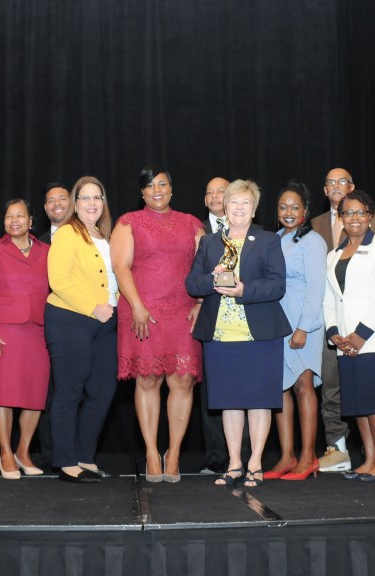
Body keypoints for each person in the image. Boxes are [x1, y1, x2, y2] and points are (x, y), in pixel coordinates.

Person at [186, 179, 290, 488]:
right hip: (220, 335)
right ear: (225, 207)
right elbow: (191, 284)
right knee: (229, 401)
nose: (239, 208)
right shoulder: (209, 243)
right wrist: (210, 280)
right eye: (234, 203)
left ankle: (255, 464)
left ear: (254, 208)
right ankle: (233, 464)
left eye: (245, 203)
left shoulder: (269, 240)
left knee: (259, 401)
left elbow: (278, 284)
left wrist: (245, 289)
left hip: (260, 334)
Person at [111, 165, 204, 483]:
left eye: (163, 183)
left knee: (182, 381)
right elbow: (121, 268)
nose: (157, 189)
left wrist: (202, 303)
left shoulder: (192, 223)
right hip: (142, 313)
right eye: (150, 186)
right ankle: (152, 453)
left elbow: (207, 268)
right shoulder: (129, 222)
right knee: (148, 381)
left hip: (183, 312)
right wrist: (136, 306)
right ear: (142, 193)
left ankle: (173, 453)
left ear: (172, 189)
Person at [309, 168, 375, 473]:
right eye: (330, 182)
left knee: (364, 388)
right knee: (330, 384)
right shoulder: (314, 224)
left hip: (367, 321)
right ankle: (337, 448)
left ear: (352, 186)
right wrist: (330, 325)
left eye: (342, 181)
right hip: (330, 318)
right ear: (325, 191)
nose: (336, 186)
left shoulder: (371, 216)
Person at [324, 190, 375, 483]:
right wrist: (335, 334)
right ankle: (368, 460)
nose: (354, 218)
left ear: (370, 216)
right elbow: (329, 300)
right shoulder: (333, 255)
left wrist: (361, 334)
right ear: (341, 218)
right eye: (348, 213)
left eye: (360, 212)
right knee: (359, 404)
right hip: (346, 342)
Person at [45, 176, 119, 483]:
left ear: (103, 203)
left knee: (102, 392)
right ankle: (64, 460)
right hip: (70, 320)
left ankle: (85, 457)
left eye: (96, 198)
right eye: (85, 198)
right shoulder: (66, 233)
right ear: (76, 204)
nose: (91, 203)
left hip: (105, 324)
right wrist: (94, 306)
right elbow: (58, 280)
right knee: (69, 392)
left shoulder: (106, 237)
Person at [0, 199, 51, 480]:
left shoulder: (47, 251)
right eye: (9, 216)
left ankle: (23, 451)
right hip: (3, 330)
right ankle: (5, 453)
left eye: (20, 216)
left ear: (31, 221)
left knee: (34, 395)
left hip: (39, 330)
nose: (14, 220)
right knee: (3, 393)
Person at [265, 181, 327, 481]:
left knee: (303, 386)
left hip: (304, 324)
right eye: (283, 207)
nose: (289, 212)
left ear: (305, 211)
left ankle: (308, 456)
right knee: (280, 391)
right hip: (278, 323)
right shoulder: (275, 239)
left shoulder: (313, 241)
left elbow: (316, 288)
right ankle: (287, 455)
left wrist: (303, 327)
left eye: (295, 207)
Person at [196, 176, 231, 475]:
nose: (216, 196)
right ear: (205, 200)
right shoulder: (195, 231)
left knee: (243, 391)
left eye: (222, 191)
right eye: (211, 193)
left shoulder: (254, 232)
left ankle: (243, 457)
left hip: (245, 321)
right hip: (207, 318)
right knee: (211, 394)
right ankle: (216, 457)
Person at [35, 181, 70, 468]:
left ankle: (78, 454)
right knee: (48, 391)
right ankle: (49, 455)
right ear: (45, 208)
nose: (56, 203)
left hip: (84, 323)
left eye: (62, 198)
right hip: (46, 324)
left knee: (78, 392)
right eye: (50, 200)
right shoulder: (38, 242)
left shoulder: (91, 237)